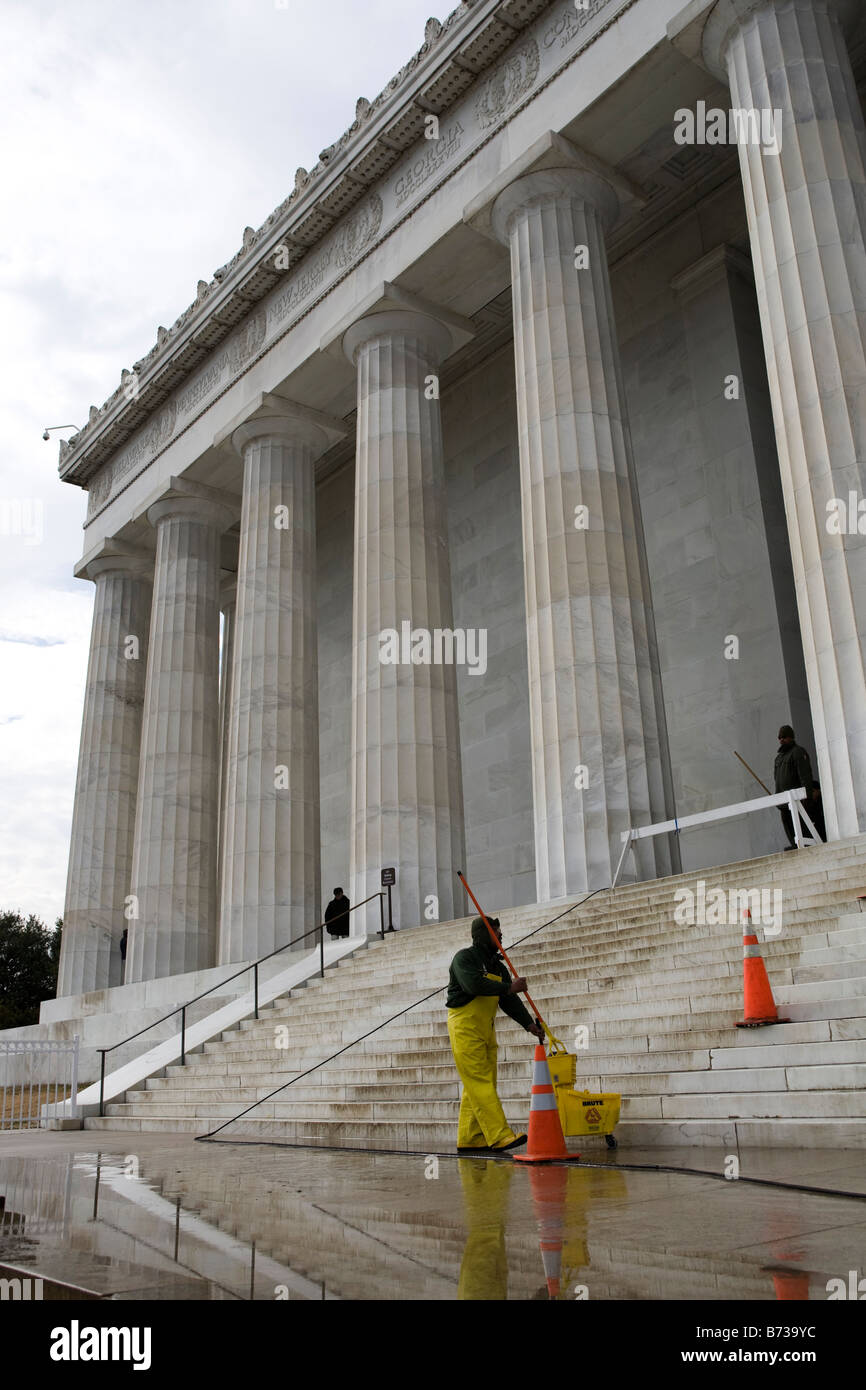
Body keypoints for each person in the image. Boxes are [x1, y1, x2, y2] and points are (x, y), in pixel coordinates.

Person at [446, 915, 545, 1155]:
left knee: (480, 1083)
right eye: (496, 932)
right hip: (465, 1027)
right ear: (482, 935)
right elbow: (472, 985)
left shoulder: (497, 966)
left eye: (500, 932)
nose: (501, 936)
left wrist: (528, 1024)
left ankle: (471, 1137)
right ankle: (500, 1135)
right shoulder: (464, 958)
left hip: (486, 1029)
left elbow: (508, 1000)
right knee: (480, 1081)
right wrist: (508, 986)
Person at [774, 725, 824, 848]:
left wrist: (807, 796)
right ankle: (796, 846)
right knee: (789, 827)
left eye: (784, 737)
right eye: (780, 737)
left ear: (791, 737)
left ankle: (807, 847)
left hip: (798, 799)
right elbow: (777, 778)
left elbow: (805, 775)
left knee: (802, 826)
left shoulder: (798, 752)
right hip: (784, 800)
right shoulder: (778, 758)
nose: (781, 739)